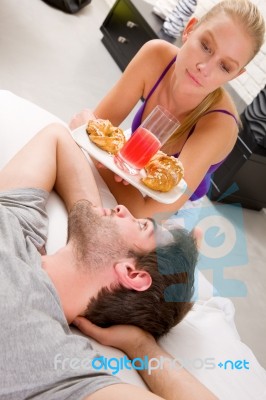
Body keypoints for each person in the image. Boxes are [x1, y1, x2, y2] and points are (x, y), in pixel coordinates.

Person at [0, 122, 212, 399]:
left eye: (141, 226)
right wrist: (90, 222)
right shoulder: (23, 224)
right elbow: (57, 138)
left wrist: (140, 346)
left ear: (132, 274)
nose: (123, 209)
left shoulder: (44, 350)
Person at [70, 0, 265, 219]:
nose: (204, 68)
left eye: (224, 66)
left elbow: (149, 216)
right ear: (190, 29)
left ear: (235, 75)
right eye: (206, 46)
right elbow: (90, 136)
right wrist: (97, 148)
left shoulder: (220, 126)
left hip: (173, 212)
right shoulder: (155, 56)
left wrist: (100, 153)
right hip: (127, 167)